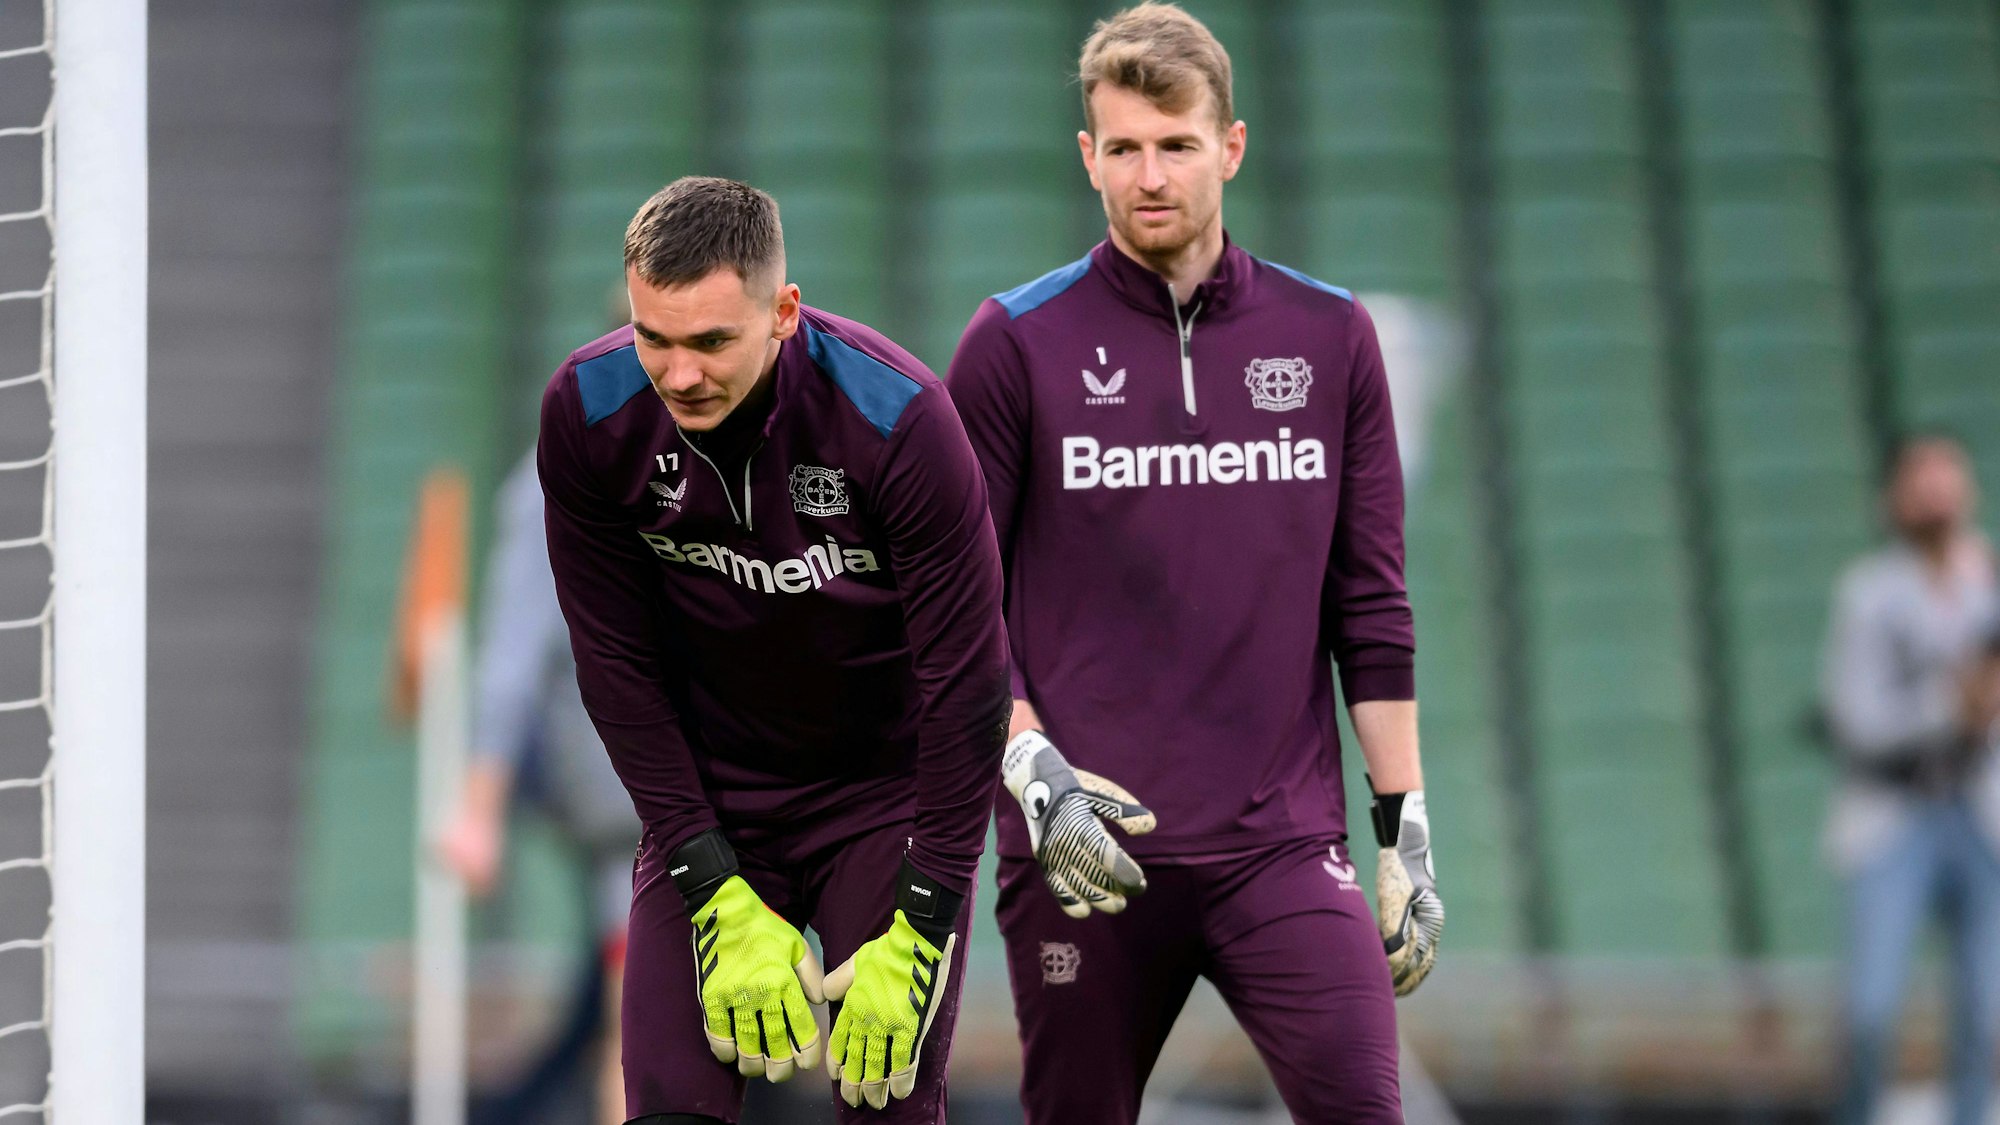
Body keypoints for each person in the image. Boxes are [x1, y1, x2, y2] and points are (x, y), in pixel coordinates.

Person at [944, 6, 1441, 1122]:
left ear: (1230, 145)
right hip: (1083, 848)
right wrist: (1030, 772)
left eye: (1174, 144)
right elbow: (952, 612)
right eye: (1121, 148)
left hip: (1281, 845)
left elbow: (1369, 602)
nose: (1148, 174)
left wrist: (1403, 830)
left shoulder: (1328, 336)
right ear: (1087, 159)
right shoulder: (1014, 343)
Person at [537, 176, 1010, 1123]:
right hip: (714, 798)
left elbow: (969, 687)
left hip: (883, 801)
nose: (678, 375)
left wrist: (923, 922)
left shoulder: (900, 421)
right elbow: (616, 671)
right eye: (653, 338)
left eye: (711, 341)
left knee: (887, 1103)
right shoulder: (587, 415)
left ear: (783, 312)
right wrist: (712, 885)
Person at [439, 450, 639, 1125]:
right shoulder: (561, 475)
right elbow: (512, 654)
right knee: (648, 1021)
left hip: (741, 790)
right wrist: (479, 808)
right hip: (636, 803)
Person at [1824, 433, 2000, 1125]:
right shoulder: (1869, 593)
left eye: (1945, 481)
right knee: (1870, 1011)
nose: (1935, 498)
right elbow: (1856, 716)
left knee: (1984, 1017)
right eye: (1921, 482)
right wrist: (1949, 706)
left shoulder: (1990, 582)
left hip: (1983, 813)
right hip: (1893, 815)